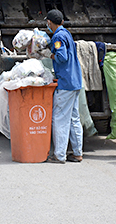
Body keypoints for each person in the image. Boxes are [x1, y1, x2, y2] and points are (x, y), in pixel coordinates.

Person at [45, 9, 83, 163]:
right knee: (74, 118)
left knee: (60, 118)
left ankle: (59, 155)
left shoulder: (58, 36)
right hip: (75, 81)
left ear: (49, 22)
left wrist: (49, 54)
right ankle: (77, 153)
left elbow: (62, 57)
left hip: (66, 83)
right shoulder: (66, 33)